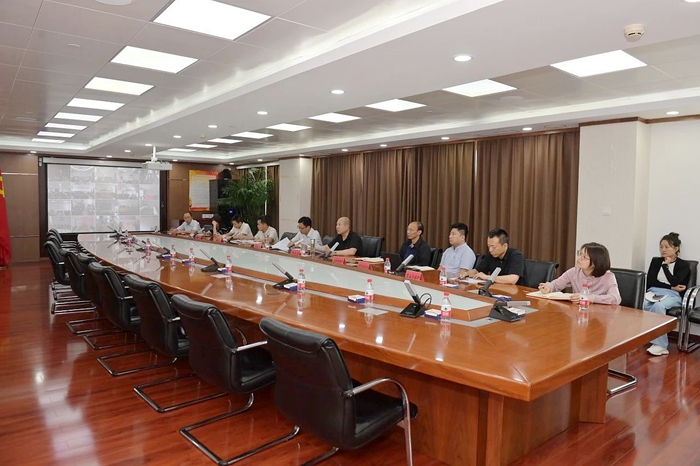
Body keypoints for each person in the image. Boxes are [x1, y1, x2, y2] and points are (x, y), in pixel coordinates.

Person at [644, 233, 691, 356]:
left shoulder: (683, 265)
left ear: (676, 249)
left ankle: (661, 345)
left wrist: (665, 266)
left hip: (673, 295)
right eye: (661, 247)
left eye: (666, 247)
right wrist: (670, 286)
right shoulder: (656, 261)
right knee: (641, 304)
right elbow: (651, 281)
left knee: (658, 306)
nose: (663, 250)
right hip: (654, 291)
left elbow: (675, 281)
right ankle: (644, 338)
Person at [538, 242, 621, 305]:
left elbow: (616, 298)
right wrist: (549, 287)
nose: (579, 258)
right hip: (579, 312)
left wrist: (591, 298)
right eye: (580, 254)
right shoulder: (574, 271)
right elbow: (556, 284)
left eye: (584, 257)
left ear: (595, 263)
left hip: (601, 316)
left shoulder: (608, 277)